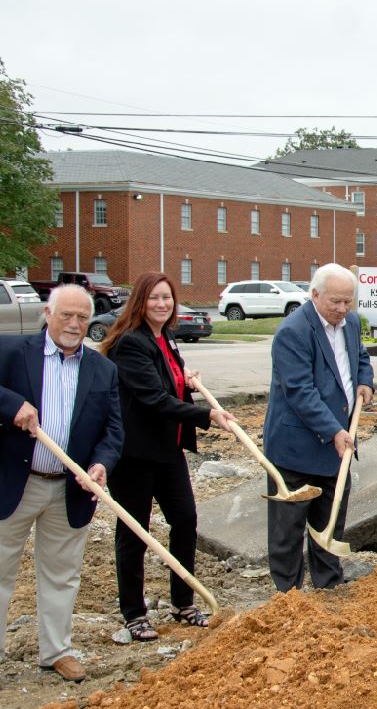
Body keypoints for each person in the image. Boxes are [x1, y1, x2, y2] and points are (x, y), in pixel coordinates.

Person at [0, 285, 123, 692]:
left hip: (69, 488)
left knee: (62, 575)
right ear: (48, 313)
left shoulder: (101, 369)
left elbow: (113, 429)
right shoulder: (11, 351)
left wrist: (100, 464)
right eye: (67, 316)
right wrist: (11, 406)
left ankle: (57, 651)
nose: (75, 325)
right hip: (15, 481)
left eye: (83, 317)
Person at [100, 272, 237, 640]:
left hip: (168, 450)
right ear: (140, 302)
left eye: (167, 298)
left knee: (186, 520)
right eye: (154, 298)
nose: (162, 304)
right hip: (134, 454)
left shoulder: (165, 337)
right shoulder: (131, 343)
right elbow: (153, 398)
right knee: (135, 531)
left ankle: (182, 602)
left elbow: (167, 381)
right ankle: (134, 613)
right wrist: (207, 415)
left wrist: (184, 377)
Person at [264, 263, 374, 591]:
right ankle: (289, 596)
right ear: (314, 295)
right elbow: (300, 391)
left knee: (330, 521)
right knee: (288, 528)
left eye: (347, 301)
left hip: (337, 442)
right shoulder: (293, 332)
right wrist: (334, 431)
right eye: (334, 302)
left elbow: (361, 358)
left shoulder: (351, 323)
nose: (342, 309)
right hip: (296, 447)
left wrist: (365, 382)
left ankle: (329, 587)